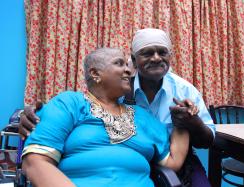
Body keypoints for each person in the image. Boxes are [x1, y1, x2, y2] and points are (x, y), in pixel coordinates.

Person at [20, 28, 215, 187]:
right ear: (95, 74)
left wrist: (186, 121)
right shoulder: (71, 103)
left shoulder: (156, 107)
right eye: (119, 63)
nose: (128, 70)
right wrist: (31, 113)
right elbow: (35, 161)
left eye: (162, 52)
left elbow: (175, 161)